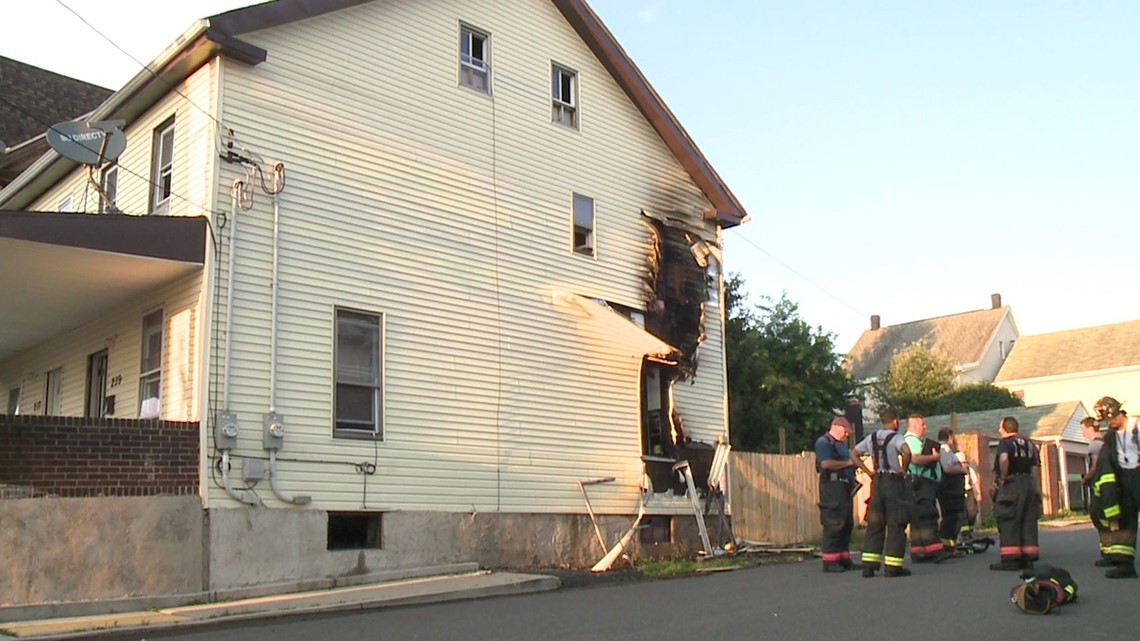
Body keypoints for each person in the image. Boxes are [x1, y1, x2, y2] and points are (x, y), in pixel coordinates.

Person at [850, 409, 913, 577]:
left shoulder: (871, 438)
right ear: (895, 421)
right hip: (893, 482)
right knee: (896, 523)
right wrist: (904, 469)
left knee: (875, 523)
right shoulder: (897, 437)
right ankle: (893, 567)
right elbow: (907, 452)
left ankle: (869, 566)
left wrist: (867, 471)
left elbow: (854, 453)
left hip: (876, 482)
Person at [1092, 396, 1140, 578]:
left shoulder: (1136, 426)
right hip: (1124, 481)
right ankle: (1125, 565)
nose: (1109, 423)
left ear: (1119, 413)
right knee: (1126, 522)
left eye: (1111, 419)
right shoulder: (1111, 436)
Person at [989, 416, 1041, 571]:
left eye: (1000, 427)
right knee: (1028, 520)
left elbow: (1004, 459)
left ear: (1006, 428)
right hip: (1029, 483)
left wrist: (1004, 477)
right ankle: (1028, 558)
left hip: (1012, 483)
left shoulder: (1006, 443)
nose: (999, 430)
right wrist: (1035, 485)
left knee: (1009, 518)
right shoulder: (1029, 443)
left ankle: (1010, 559)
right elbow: (1035, 467)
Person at [904, 414, 951, 563]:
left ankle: (919, 552)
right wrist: (933, 458)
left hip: (918, 484)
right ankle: (935, 550)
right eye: (922, 424)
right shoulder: (911, 441)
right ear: (914, 426)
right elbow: (915, 459)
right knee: (928, 516)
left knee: (918, 519)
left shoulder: (912, 441)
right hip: (921, 483)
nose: (925, 427)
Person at [815, 416, 857, 572]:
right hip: (832, 486)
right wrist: (848, 464)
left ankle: (843, 559)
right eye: (845, 431)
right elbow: (825, 464)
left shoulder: (840, 445)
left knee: (846, 523)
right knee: (834, 522)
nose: (847, 435)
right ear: (837, 427)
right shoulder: (824, 443)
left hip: (844, 486)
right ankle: (830, 561)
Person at [1079, 416, 1111, 566]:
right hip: (1108, 489)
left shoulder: (1095, 446)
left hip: (1099, 487)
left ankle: (1108, 553)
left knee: (1099, 518)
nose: (1082, 432)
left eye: (1083, 429)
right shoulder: (1107, 443)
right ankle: (1111, 552)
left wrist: (1086, 478)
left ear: (1091, 428)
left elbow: (1094, 466)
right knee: (1109, 521)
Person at [936, 428, 968, 555]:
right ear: (949, 437)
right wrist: (963, 470)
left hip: (952, 490)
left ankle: (951, 546)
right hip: (950, 491)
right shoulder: (945, 450)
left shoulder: (946, 451)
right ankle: (948, 548)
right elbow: (947, 468)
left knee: (952, 518)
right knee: (951, 518)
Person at [958, 451, 983, 541]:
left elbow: (975, 482)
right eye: (961, 463)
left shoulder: (969, 470)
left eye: (964, 462)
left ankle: (970, 530)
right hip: (959, 493)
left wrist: (979, 493)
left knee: (973, 512)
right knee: (963, 514)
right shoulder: (955, 471)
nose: (963, 464)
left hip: (969, 492)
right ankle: (964, 534)